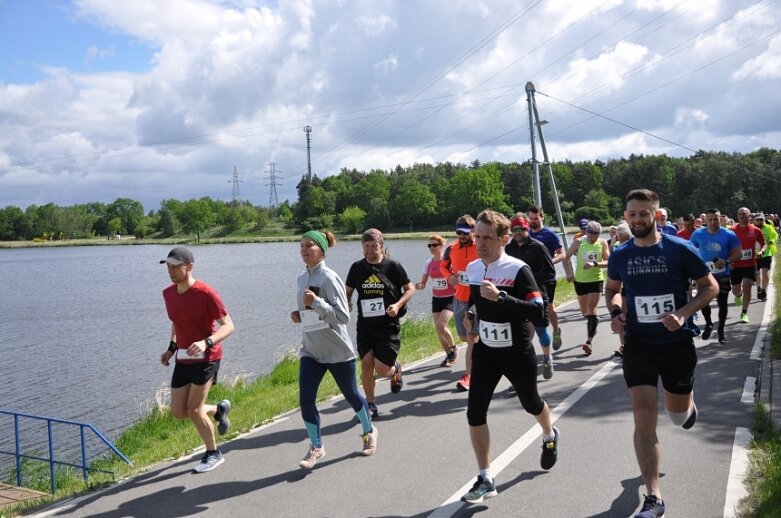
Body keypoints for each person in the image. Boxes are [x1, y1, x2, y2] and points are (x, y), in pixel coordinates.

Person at [605, 189, 717, 518]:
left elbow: (710, 285)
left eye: (643, 213)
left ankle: (687, 403)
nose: (637, 219)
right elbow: (612, 290)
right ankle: (654, 497)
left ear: (655, 215)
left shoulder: (679, 249)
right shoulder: (620, 254)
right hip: (639, 343)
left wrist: (683, 313)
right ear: (625, 217)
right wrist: (615, 313)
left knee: (678, 415)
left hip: (676, 344)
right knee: (642, 417)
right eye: (631, 214)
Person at [460, 210, 559, 504]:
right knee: (474, 412)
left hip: (517, 351)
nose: (479, 243)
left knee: (531, 403)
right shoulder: (475, 268)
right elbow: (476, 302)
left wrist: (502, 297)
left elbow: (539, 312)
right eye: (477, 236)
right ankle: (485, 477)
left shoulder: (518, 269)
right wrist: (471, 315)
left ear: (503, 239)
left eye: (487, 238)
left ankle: (550, 433)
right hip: (487, 351)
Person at [291, 231, 377, 469]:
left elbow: (342, 317)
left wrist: (316, 303)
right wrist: (299, 314)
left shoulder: (330, 278)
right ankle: (316, 446)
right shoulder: (300, 279)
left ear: (321, 250)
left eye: (309, 245)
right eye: (301, 246)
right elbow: (310, 311)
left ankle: (369, 431)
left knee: (351, 395)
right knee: (306, 400)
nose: (304, 249)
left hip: (337, 351)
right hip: (311, 350)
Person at [159, 246, 235, 473]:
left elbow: (229, 326)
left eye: (176, 267)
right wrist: (171, 347)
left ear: (189, 266)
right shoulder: (168, 294)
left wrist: (206, 342)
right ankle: (219, 410)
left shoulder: (207, 293)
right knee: (178, 412)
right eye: (168, 267)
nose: (171, 271)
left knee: (194, 410)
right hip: (183, 357)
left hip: (207, 358)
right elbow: (177, 321)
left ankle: (213, 453)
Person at [345, 228, 415, 419]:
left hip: (388, 325)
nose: (369, 250)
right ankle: (370, 404)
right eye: (365, 246)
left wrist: (398, 304)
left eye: (373, 246)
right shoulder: (357, 268)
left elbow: (410, 289)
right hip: (365, 325)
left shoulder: (393, 266)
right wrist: (347, 301)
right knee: (366, 364)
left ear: (381, 246)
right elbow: (348, 289)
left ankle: (395, 370)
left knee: (382, 369)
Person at [505, 213, 556, 379]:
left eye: (520, 228)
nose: (517, 232)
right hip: (517, 297)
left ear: (526, 228)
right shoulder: (508, 248)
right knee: (521, 336)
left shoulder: (538, 246)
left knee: (541, 331)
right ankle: (522, 373)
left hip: (537, 295)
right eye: (514, 229)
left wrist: (528, 278)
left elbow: (550, 273)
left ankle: (547, 358)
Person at [440, 215, 480, 391]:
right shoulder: (451, 248)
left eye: (465, 232)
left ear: (473, 231)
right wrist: (449, 277)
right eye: (458, 232)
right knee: (464, 336)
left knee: (471, 336)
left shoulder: (480, 246)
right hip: (459, 297)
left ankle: (469, 376)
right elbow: (443, 266)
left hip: (477, 298)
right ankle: (483, 351)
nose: (462, 235)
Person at [689, 209, 741, 344]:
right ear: (706, 220)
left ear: (721, 219)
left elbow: (739, 253)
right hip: (704, 275)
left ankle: (721, 330)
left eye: (716, 219)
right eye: (710, 219)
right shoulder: (698, 234)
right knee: (703, 301)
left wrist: (726, 261)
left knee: (722, 303)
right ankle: (709, 324)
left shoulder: (729, 234)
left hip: (722, 273)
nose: (713, 222)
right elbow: (690, 251)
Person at [565, 220, 610, 355]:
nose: (593, 237)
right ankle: (593, 322)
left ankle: (589, 341)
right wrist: (569, 273)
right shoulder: (579, 242)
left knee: (592, 308)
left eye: (596, 235)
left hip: (596, 280)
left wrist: (595, 263)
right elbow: (565, 257)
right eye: (591, 234)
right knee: (585, 312)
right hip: (580, 281)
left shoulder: (602, 243)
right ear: (586, 232)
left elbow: (609, 261)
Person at [528, 205, 568, 350]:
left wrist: (550, 261)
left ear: (542, 217)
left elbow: (562, 254)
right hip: (530, 279)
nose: (533, 221)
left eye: (536, 218)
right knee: (531, 308)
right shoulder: (526, 234)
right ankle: (528, 346)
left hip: (547, 279)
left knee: (549, 307)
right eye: (530, 218)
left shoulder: (550, 235)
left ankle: (556, 331)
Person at [416, 234, 457, 366]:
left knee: (441, 325)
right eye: (429, 245)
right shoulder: (428, 263)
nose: (432, 248)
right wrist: (420, 285)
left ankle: (453, 349)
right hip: (437, 298)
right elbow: (424, 283)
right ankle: (448, 356)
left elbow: (458, 276)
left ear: (442, 245)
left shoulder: (449, 260)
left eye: (435, 245)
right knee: (438, 329)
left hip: (451, 297)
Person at [730, 207, 766, 324]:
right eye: (739, 214)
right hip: (735, 265)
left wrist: (761, 252)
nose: (741, 215)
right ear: (737, 216)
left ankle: (744, 313)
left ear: (749, 216)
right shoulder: (731, 230)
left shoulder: (755, 230)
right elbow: (726, 245)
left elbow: (764, 244)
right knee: (736, 290)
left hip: (750, 264)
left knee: (747, 285)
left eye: (744, 213)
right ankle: (738, 295)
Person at [610, 222, 633, 361]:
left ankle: (625, 346)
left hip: (627, 288)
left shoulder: (620, 248)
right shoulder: (631, 245)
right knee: (624, 318)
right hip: (627, 288)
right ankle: (625, 346)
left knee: (624, 318)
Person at [754, 213, 777, 301]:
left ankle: (764, 290)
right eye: (758, 220)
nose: (759, 221)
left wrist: (771, 241)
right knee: (756, 273)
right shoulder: (752, 228)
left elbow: (775, 236)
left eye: (761, 220)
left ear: (764, 220)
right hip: (755, 254)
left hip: (766, 253)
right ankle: (758, 288)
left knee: (764, 272)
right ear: (755, 220)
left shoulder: (769, 227)